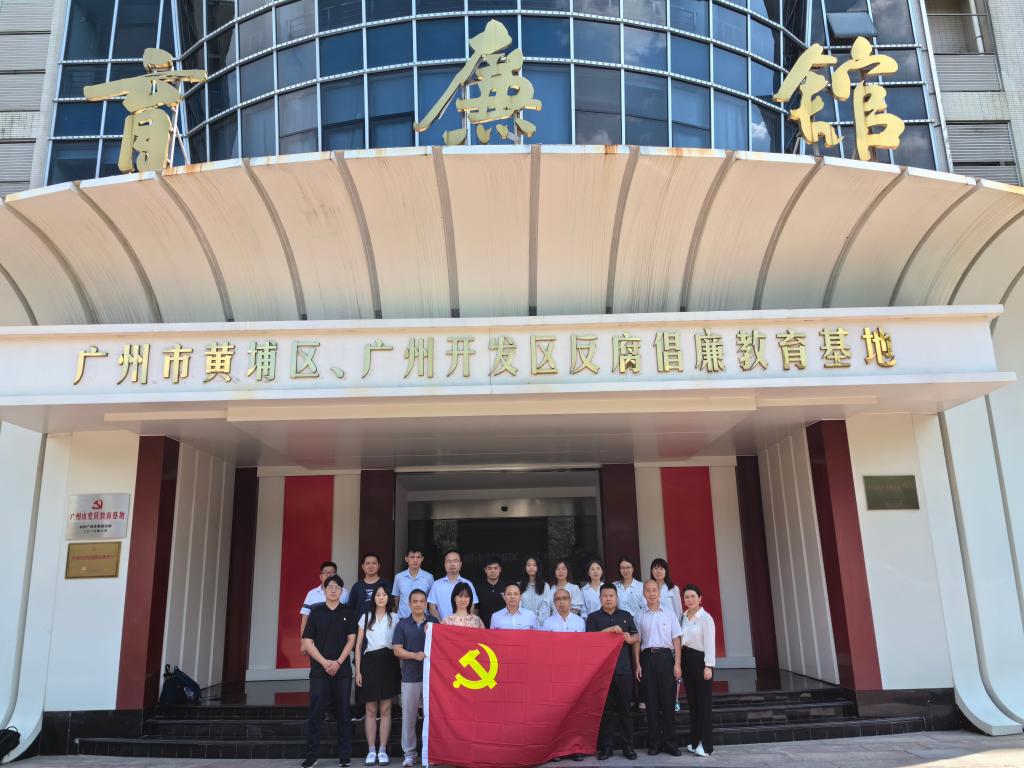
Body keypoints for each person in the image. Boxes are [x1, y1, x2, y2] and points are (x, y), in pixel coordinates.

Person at [301, 574, 356, 768]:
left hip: (342, 671)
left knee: (344, 713)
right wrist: (325, 663)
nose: (333, 590)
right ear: (324, 590)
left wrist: (338, 662)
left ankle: (345, 756)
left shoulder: (348, 612)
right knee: (315, 714)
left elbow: (351, 639)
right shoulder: (316, 613)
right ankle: (312, 756)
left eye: (337, 587)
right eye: (330, 587)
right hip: (319, 671)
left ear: (342, 591)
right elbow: (308, 641)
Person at [586, 583, 639, 761]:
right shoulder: (593, 617)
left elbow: (636, 636)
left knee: (625, 710)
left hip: (624, 670)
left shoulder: (625, 615)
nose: (608, 598)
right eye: (605, 596)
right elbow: (589, 641)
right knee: (606, 711)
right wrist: (608, 631)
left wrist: (630, 639)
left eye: (611, 596)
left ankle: (628, 747)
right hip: (602, 672)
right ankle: (606, 748)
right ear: (600, 598)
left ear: (616, 598)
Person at [634, 579, 682, 757]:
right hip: (647, 659)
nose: (651, 593)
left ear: (659, 593)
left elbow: (676, 639)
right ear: (644, 593)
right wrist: (637, 664)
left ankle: (670, 743)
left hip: (666, 658)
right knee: (651, 703)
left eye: (654, 590)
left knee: (668, 702)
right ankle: (654, 744)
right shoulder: (639, 615)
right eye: (648, 590)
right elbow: (637, 642)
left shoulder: (669, 613)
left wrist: (677, 663)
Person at [355, 584, 400, 766]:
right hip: (369, 663)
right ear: (373, 598)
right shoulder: (365, 617)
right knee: (371, 710)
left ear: (388, 598)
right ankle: (371, 750)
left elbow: (399, 643)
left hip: (388, 662)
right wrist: (358, 671)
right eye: (378, 594)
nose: (381, 597)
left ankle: (382, 750)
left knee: (386, 709)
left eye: (384, 594)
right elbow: (358, 646)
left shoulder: (395, 618)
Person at [391, 589, 438, 768]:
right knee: (409, 717)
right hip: (410, 677)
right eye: (415, 601)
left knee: (431, 717)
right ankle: (410, 754)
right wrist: (414, 655)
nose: (418, 604)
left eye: (421, 601)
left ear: (426, 603)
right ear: (409, 604)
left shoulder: (434, 623)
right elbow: (397, 650)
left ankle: (430, 753)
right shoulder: (402, 624)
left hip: (432, 678)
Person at [680, 584, 716, 757]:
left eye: (693, 596)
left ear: (700, 598)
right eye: (686, 597)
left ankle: (707, 746)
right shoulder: (683, 616)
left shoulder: (705, 618)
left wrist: (709, 666)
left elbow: (710, 643)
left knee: (704, 704)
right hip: (686, 659)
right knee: (693, 704)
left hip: (701, 661)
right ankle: (695, 742)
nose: (690, 600)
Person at [300, 561, 348, 656]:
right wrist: (303, 642)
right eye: (326, 573)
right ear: (321, 576)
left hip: (339, 644)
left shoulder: (344, 592)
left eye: (332, 572)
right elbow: (305, 620)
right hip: (315, 645)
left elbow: (348, 616)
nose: (329, 575)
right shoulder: (312, 594)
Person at [427, 549, 479, 621]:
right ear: (444, 564)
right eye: (449, 561)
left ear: (460, 564)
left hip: (463, 625)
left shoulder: (468, 584)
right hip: (442, 626)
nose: (452, 564)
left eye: (455, 561)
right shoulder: (436, 585)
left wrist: (464, 622)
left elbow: (472, 607)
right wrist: (442, 624)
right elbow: (432, 608)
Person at [391, 548, 434, 619]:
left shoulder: (429, 577)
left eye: (418, 557)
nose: (415, 560)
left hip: (422, 619)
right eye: (412, 557)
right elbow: (396, 598)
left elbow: (430, 600)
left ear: (422, 559)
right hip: (403, 618)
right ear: (406, 559)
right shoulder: (399, 577)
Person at [348, 553, 392, 618]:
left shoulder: (386, 584)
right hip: (362, 623)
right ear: (363, 566)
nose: (371, 566)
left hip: (383, 622)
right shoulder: (357, 586)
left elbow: (392, 605)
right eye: (367, 563)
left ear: (378, 566)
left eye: (374, 563)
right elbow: (351, 609)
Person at [475, 556, 507, 628]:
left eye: (495, 568)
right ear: (485, 570)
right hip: (483, 629)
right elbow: (476, 610)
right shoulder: (478, 588)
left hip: (504, 628)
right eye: (489, 568)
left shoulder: (506, 588)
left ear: (500, 569)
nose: (492, 571)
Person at [518, 555, 552, 623]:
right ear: (525, 567)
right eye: (528, 565)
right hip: (522, 623)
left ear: (538, 567)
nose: (531, 567)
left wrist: (537, 622)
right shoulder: (519, 585)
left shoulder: (545, 586)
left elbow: (546, 606)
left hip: (540, 624)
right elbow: (518, 605)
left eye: (534, 565)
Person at [649, 558, 682, 622]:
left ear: (666, 571)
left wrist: (678, 625)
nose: (658, 571)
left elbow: (678, 610)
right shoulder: (647, 588)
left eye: (661, 569)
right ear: (651, 571)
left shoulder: (673, 588)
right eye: (656, 568)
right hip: (652, 623)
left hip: (670, 624)